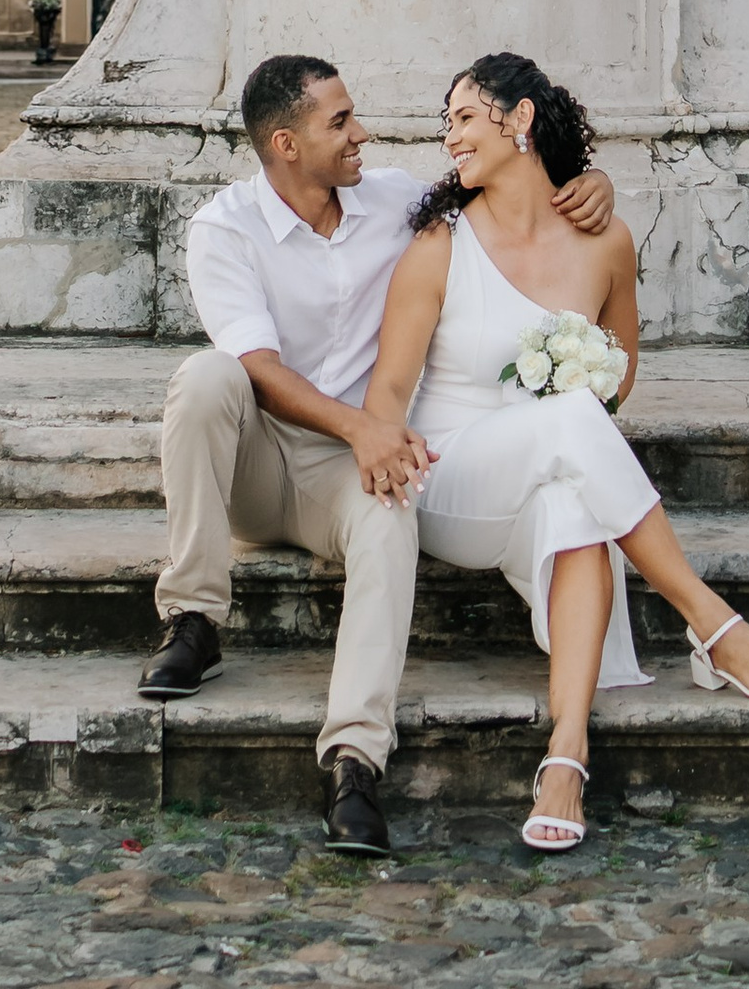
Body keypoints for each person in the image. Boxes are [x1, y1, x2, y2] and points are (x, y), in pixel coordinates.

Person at [140, 51, 615, 854]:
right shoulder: (225, 227)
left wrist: (590, 181)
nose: (362, 132)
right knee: (207, 375)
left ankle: (355, 760)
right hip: (254, 461)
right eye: (341, 121)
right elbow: (259, 369)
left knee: (395, 511)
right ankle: (193, 618)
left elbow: (507, 173)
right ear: (287, 144)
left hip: (341, 472)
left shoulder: (395, 200)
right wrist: (364, 426)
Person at [361, 50, 749, 856]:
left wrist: (571, 388)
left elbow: (617, 380)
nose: (451, 138)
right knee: (573, 422)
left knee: (576, 503)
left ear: (520, 118)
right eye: (448, 124)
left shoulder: (606, 239)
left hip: (548, 468)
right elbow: (387, 396)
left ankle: (566, 753)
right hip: (452, 479)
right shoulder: (440, 245)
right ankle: (713, 624)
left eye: (465, 117)